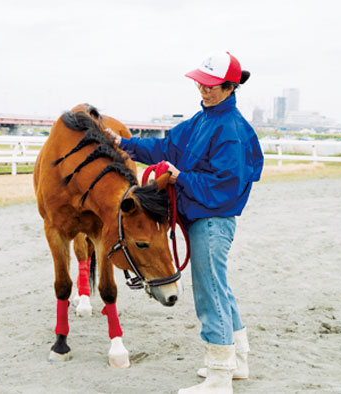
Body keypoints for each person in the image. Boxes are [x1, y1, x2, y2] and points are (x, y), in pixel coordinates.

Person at [104, 51, 263, 394]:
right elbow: (167, 147)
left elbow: (226, 186)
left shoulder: (230, 129)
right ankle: (238, 363)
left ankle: (219, 378)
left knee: (209, 294)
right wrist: (124, 144)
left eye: (210, 86)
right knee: (219, 288)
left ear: (230, 87)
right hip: (201, 218)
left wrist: (181, 178)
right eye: (200, 83)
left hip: (212, 220)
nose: (203, 90)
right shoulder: (203, 119)